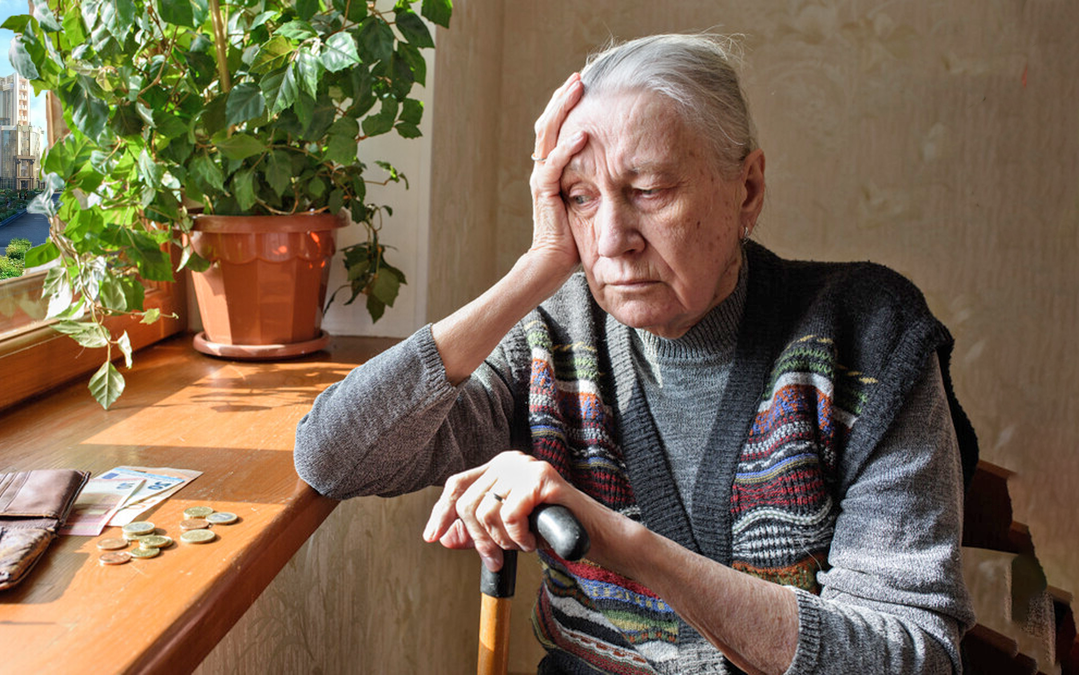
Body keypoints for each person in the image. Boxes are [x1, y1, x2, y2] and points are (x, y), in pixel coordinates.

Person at [295, 33, 978, 674]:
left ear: (747, 189)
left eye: (649, 191)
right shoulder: (553, 338)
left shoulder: (868, 336)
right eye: (579, 198)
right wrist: (536, 269)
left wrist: (620, 541)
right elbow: (333, 455)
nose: (612, 236)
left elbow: (909, 652)